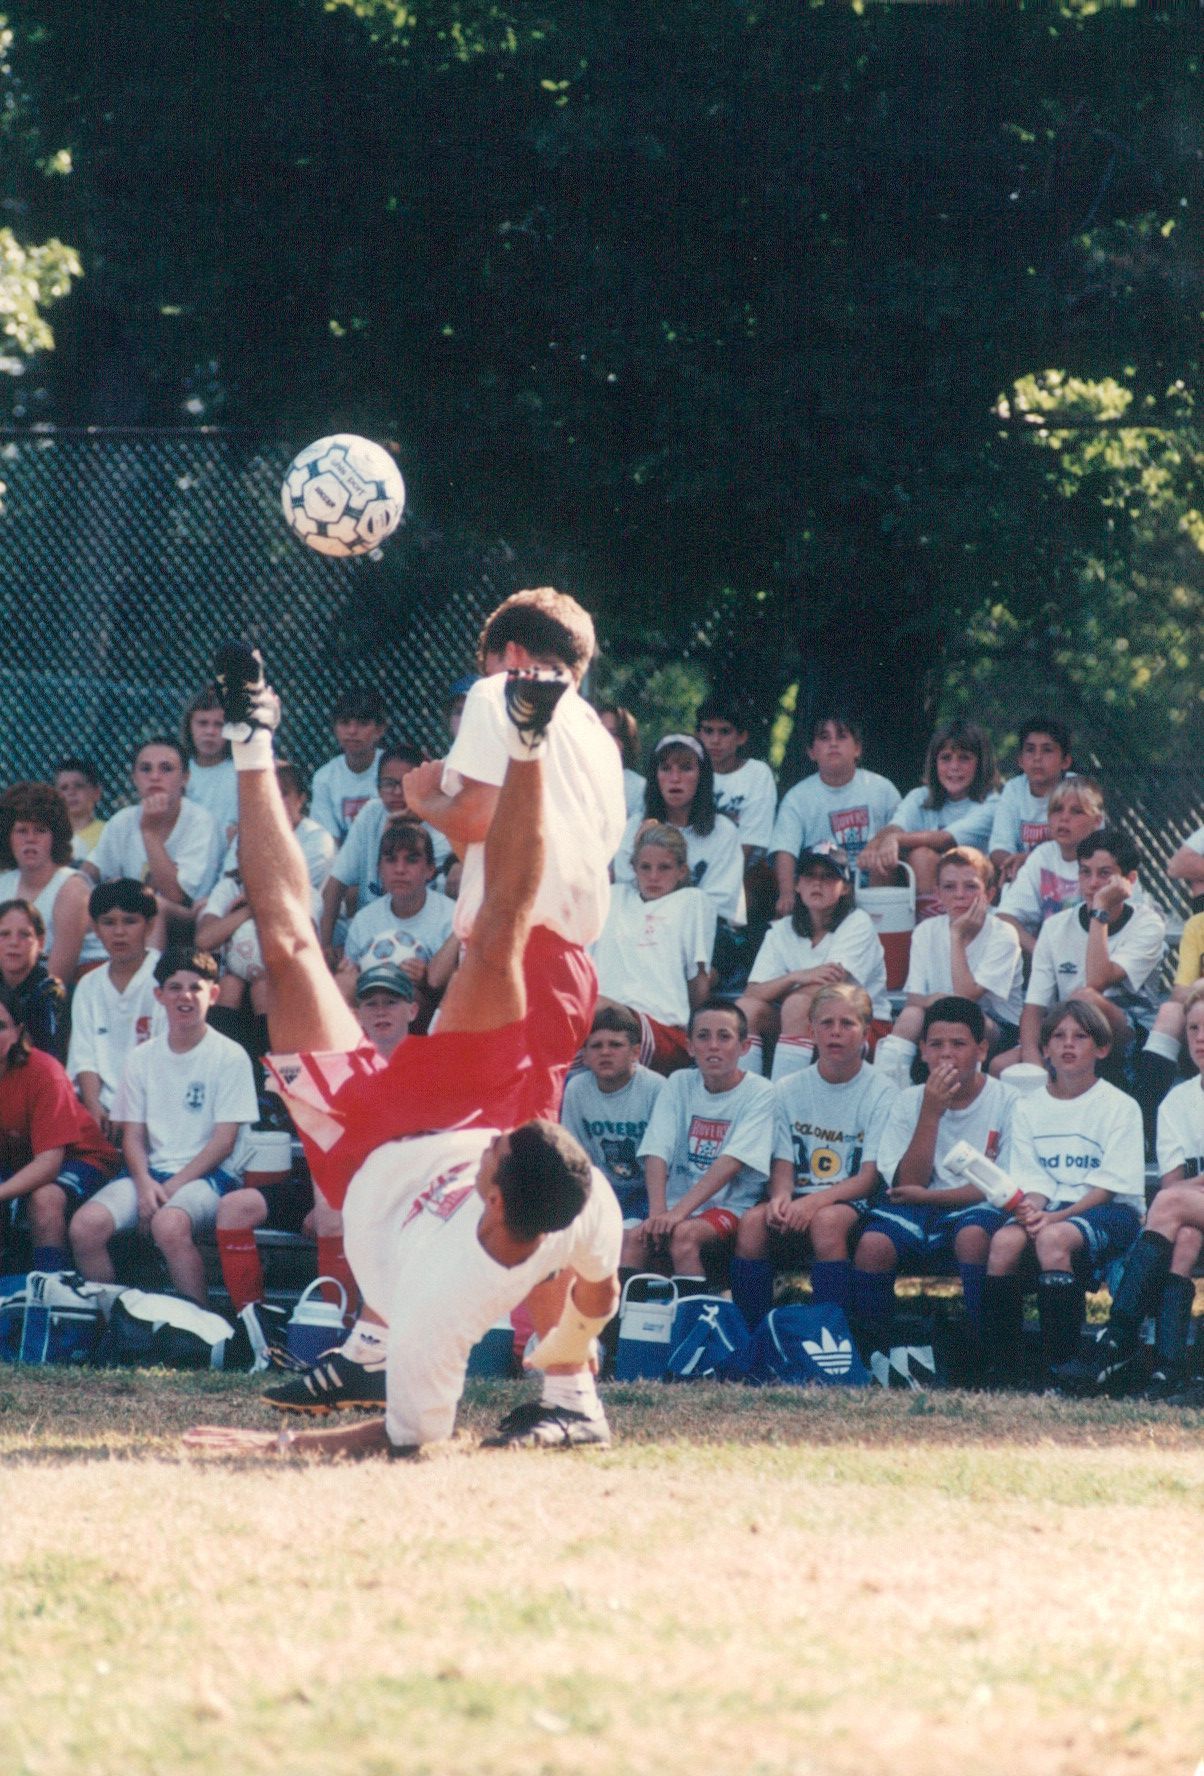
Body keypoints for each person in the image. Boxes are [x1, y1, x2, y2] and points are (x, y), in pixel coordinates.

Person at [184, 640, 622, 1457]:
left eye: (503, 1157)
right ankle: (426, 1361)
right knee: (497, 933)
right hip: (457, 1109)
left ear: (496, 1201)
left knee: (288, 950)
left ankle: (251, 739)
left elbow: (406, 1442)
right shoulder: (584, 1204)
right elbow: (600, 1287)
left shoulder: (446, 1305)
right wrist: (577, 1333)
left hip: (363, 1162)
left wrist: (278, 1451)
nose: (502, 1147)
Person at [213, 960, 419, 1322]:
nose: (381, 1011)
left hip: (396, 1193)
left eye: (391, 1002)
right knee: (235, 1207)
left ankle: (338, 1326)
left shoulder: (428, 1066)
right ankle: (254, 1325)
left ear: (413, 1010)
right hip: (330, 1185)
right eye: (371, 1003)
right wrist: (323, 1194)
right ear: (356, 1013)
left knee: (331, 1214)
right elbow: (320, 1139)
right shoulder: (338, 1065)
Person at [69, 948, 259, 1304]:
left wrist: (168, 1189)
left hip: (209, 1177)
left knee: (168, 1225)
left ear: (213, 994)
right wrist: (145, 1185)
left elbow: (223, 1142)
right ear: (159, 995)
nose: (185, 996)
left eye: (195, 988)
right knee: (85, 1227)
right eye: (174, 988)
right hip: (150, 1175)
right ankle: (116, 1320)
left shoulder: (230, 1055)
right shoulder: (141, 1058)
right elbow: (133, 1136)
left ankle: (199, 1324)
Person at [979, 1000, 1144, 1388]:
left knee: (1053, 1239)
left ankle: (1062, 1366)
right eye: (1058, 1036)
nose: (1068, 1044)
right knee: (1003, 1242)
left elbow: (1109, 1187)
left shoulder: (1120, 1106)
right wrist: (1029, 1211)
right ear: (1045, 1049)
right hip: (1051, 1209)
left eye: (1080, 1037)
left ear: (1101, 1048)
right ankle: (1003, 1369)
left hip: (1110, 1210)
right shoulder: (1028, 1108)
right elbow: (1033, 1180)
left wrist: (1053, 1219)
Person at [1053, 981, 1204, 1402]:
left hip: (1186, 1203)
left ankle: (1118, 1336)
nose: (1200, 1039)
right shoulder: (1177, 1101)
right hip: (1192, 1211)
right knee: (1184, 1237)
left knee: (1170, 1205)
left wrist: (1187, 1192)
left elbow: (1174, 1194)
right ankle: (1168, 1370)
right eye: (1193, 1029)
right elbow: (1172, 1186)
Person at [849, 997, 1014, 1357]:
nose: (946, 1054)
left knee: (973, 1237)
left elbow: (998, 1186)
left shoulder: (1007, 1100)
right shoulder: (908, 1100)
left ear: (981, 1050)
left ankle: (982, 1352)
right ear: (922, 1051)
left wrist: (928, 1197)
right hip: (916, 1204)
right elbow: (909, 1183)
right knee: (873, 1244)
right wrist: (931, 1112)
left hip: (976, 1205)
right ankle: (873, 1352)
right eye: (936, 1045)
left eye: (959, 1044)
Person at [730, 983, 897, 1328]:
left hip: (852, 1199)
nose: (836, 1032)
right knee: (752, 1223)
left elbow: (868, 1179)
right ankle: (753, 1335)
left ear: (866, 1032)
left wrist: (812, 1203)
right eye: (826, 1023)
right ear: (811, 1030)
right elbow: (783, 1161)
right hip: (800, 1195)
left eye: (847, 1023)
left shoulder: (882, 1090)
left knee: (827, 1222)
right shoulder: (788, 1088)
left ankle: (831, 1335)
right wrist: (781, 1197)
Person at [625, 1000, 774, 1282]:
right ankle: (629, 1312)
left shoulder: (760, 1092)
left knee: (683, 1236)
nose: (713, 1046)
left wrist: (678, 1214)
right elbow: (657, 1149)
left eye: (724, 1036)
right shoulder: (679, 1082)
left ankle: (695, 1309)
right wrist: (658, 1213)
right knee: (634, 1239)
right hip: (674, 1204)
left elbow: (731, 1162)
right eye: (703, 1036)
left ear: (744, 1047)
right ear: (690, 1046)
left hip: (730, 1207)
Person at [1014, 829, 1165, 1076]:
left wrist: (1100, 910)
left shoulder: (1148, 924)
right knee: (1004, 1065)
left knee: (1086, 999)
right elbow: (1034, 1007)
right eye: (1085, 872)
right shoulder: (1055, 926)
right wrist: (1032, 1061)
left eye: (1104, 874)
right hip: (1068, 1028)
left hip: (1129, 1036)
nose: (1093, 883)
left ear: (1129, 879)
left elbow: (1096, 981)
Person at [736, 843, 888, 1080]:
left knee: (797, 1005)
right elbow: (752, 993)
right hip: (802, 1025)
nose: (817, 884)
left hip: (861, 1025)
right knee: (747, 1010)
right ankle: (750, 1094)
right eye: (809, 875)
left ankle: (784, 1096)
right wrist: (796, 977)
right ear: (797, 884)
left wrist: (781, 989)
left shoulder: (857, 921)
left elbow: (829, 990)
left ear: (845, 888)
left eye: (828, 876)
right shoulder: (781, 929)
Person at [0, 983, 119, 1274]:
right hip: (20, 1157)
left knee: (44, 1199)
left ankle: (51, 1286)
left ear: (17, 1032)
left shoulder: (43, 1071)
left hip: (81, 1158)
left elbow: (48, 1164)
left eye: (1, 1026)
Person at [591, 823, 716, 1075]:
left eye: (664, 867)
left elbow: (698, 979)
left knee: (592, 1009)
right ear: (633, 868)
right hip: (598, 1020)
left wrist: (694, 1034)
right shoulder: (612, 896)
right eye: (645, 867)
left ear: (682, 871)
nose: (653, 876)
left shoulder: (693, 901)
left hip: (660, 1027)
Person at [885, 847, 1023, 1070]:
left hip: (997, 1026)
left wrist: (957, 936)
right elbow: (914, 999)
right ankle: (891, 1079)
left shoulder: (1003, 933)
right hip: (941, 1017)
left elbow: (966, 999)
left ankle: (965, 1083)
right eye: (949, 887)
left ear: (989, 894)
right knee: (911, 1016)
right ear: (938, 894)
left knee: (965, 1017)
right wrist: (934, 1000)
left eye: (971, 887)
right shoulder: (925, 931)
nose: (960, 895)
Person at [84, 736, 224, 945]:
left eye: (166, 769)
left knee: (153, 906)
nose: (155, 777)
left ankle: (148, 967)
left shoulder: (200, 822)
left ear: (185, 778)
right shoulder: (122, 820)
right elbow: (90, 872)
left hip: (188, 923)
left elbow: (176, 896)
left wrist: (149, 833)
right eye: (145, 769)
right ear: (134, 778)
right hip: (128, 921)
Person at [319, 742, 448, 958]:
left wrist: (392, 829)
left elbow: (397, 894)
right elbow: (335, 884)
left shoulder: (439, 824)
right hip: (371, 927)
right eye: (389, 784)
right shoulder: (372, 812)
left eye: (405, 784)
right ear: (378, 787)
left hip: (425, 931)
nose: (397, 792)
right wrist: (324, 946)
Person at [859, 719, 1000, 914]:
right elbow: (896, 826)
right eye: (946, 758)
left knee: (922, 856)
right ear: (934, 763)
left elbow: (945, 839)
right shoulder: (920, 796)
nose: (954, 766)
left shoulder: (992, 803)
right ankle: (882, 924)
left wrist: (894, 839)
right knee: (884, 857)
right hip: (921, 893)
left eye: (964, 758)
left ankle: (932, 925)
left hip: (971, 899)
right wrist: (875, 844)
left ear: (981, 764)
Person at [769, 713, 901, 914]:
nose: (833, 744)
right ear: (811, 752)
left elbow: (901, 831)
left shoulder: (882, 789)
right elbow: (785, 849)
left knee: (882, 859)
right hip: (824, 887)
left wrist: (879, 846)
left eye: (841, 736)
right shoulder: (798, 797)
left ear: (857, 749)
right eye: (824, 737)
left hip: (876, 886)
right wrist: (787, 894)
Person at [613, 734, 746, 927]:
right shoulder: (635, 826)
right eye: (666, 769)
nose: (675, 779)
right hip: (642, 927)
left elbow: (719, 902)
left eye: (685, 768)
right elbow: (625, 891)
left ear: (702, 776)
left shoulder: (723, 831)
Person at [66, 879, 163, 1140]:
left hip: (155, 1105)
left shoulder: (165, 979)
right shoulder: (89, 984)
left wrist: (131, 1112)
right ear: (96, 928)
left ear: (150, 924)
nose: (119, 932)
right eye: (108, 922)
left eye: (130, 921)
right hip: (102, 1109)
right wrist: (94, 1106)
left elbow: (166, 1058)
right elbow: (84, 1055)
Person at [560, 1005, 665, 1227]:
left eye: (615, 1045)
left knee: (626, 1235)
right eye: (596, 1046)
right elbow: (575, 1153)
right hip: (604, 1189)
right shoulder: (576, 1089)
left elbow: (664, 1156)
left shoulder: (656, 1088)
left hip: (648, 1190)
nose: (605, 1052)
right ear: (585, 1055)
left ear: (635, 1052)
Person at [339, 822, 456, 1016]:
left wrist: (425, 980)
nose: (400, 869)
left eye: (411, 860)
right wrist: (348, 972)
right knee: (341, 983)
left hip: (426, 1013)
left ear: (430, 869)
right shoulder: (364, 920)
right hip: (372, 1005)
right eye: (391, 860)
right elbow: (351, 978)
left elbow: (456, 988)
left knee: (409, 995)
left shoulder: (450, 917)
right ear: (379, 869)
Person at [995, 775, 1106, 956]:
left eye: (1076, 811)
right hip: (1050, 960)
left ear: (1097, 821)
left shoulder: (1110, 860)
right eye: (1057, 810)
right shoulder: (1043, 856)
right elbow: (1005, 917)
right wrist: (1042, 954)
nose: (1064, 818)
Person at [0, 783, 94, 984]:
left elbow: (56, 979)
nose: (30, 839)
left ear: (55, 837)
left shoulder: (73, 889)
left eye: (40, 830)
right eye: (22, 831)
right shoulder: (4, 884)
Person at [988, 717, 1073, 886]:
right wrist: (1013, 863)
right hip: (1022, 877)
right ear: (1020, 760)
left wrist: (1030, 861)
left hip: (1068, 878)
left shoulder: (1080, 790)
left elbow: (1086, 849)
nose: (1037, 758)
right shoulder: (1013, 789)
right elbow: (999, 848)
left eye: (1047, 750)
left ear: (1065, 761)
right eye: (1030, 750)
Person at [696, 693, 778, 863]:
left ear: (741, 737)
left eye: (724, 731)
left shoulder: (756, 774)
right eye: (708, 731)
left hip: (742, 868)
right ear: (698, 735)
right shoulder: (688, 772)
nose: (715, 740)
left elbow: (750, 844)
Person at [309, 686, 389, 844]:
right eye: (345, 723)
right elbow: (328, 841)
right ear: (335, 729)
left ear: (380, 730)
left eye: (362, 723)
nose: (352, 731)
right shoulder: (324, 778)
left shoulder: (394, 769)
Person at [0, 899, 68, 1062]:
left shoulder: (49, 992)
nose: (14, 942)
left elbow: (50, 1057)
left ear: (41, 942)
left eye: (24, 934)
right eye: (4, 934)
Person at [181, 682, 239, 842]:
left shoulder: (240, 774)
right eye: (202, 723)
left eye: (219, 724)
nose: (210, 731)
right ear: (189, 726)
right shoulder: (176, 772)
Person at [597, 703, 646, 821]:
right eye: (599, 731)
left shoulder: (638, 788)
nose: (604, 738)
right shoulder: (573, 780)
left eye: (613, 733)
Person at [53, 757, 106, 862]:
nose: (71, 792)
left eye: (78, 786)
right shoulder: (49, 837)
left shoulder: (108, 833)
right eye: (64, 788)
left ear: (96, 792)